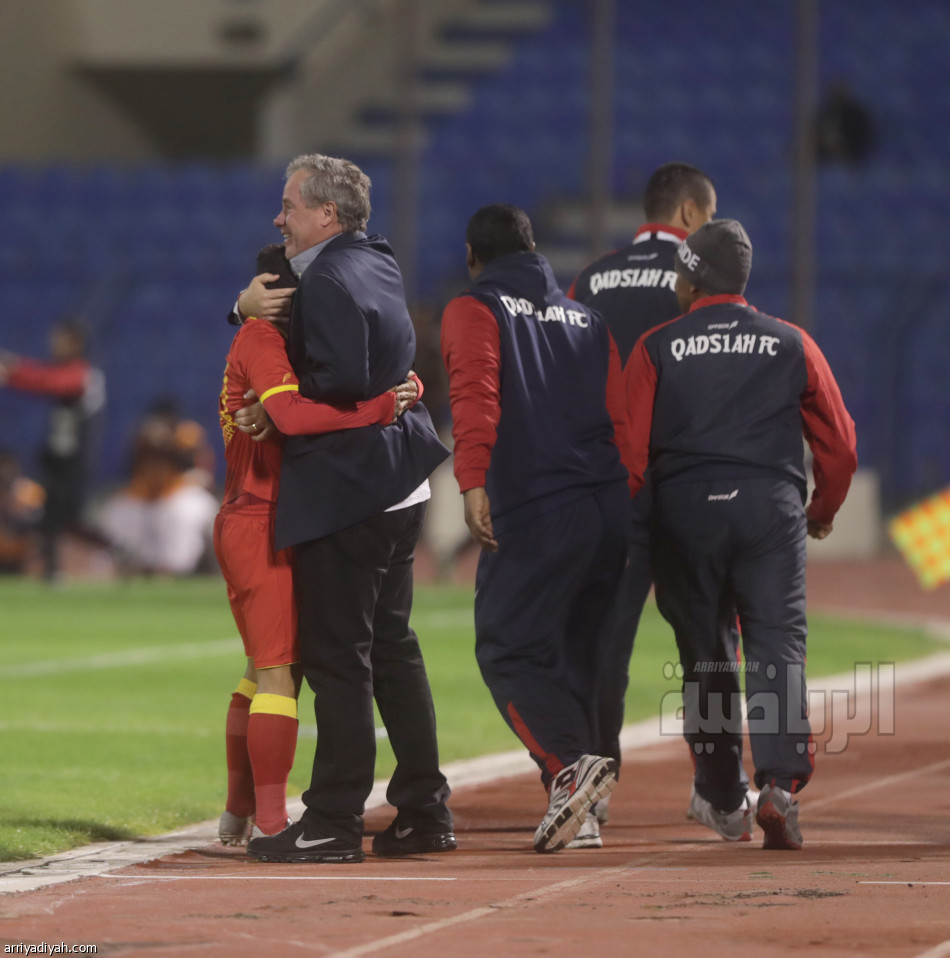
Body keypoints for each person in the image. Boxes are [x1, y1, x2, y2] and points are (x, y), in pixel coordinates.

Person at [243, 154, 454, 864]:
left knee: (337, 659)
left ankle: (333, 819)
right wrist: (240, 308)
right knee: (393, 649)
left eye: (291, 205)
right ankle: (425, 811)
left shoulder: (327, 278)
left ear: (326, 215)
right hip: (402, 481)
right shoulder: (377, 259)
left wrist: (280, 410)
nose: (281, 217)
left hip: (350, 489)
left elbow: (339, 384)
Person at [624, 219, 857, 850]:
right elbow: (839, 443)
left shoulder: (655, 346)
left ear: (692, 276)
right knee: (777, 644)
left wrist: (639, 527)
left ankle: (725, 798)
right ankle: (779, 785)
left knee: (705, 654)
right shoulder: (792, 342)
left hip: (685, 511)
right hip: (768, 508)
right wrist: (821, 508)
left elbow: (630, 453)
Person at [440, 204, 634, 852]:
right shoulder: (587, 317)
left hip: (537, 505)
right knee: (582, 653)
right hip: (608, 506)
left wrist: (471, 483)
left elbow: (476, 396)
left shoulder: (475, 309)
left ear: (474, 256)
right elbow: (621, 418)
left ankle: (567, 768)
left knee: (510, 647)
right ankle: (589, 809)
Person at [215, 243, 421, 845]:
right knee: (280, 674)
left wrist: (402, 384)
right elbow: (299, 417)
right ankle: (272, 825)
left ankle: (237, 812)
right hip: (260, 521)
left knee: (262, 670)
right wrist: (383, 406)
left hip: (270, 517)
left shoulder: (283, 343)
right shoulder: (262, 341)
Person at [568, 163, 722, 820]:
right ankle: (717, 790)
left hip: (608, 485)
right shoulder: (701, 275)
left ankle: (593, 790)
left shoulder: (591, 277)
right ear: (689, 213)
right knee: (709, 640)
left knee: (604, 641)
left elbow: (566, 376)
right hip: (687, 485)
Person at [0, 319, 105, 581]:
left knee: (72, 518)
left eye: (62, 339)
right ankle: (52, 570)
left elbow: (52, 383)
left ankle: (118, 552)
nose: (55, 344)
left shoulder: (85, 374)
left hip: (75, 463)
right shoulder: (63, 370)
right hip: (57, 460)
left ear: (76, 342)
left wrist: (11, 369)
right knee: (52, 517)